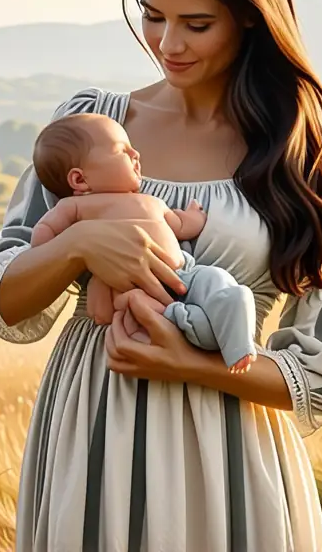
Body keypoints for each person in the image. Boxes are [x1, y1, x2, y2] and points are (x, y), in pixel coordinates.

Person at [0, 0, 322, 552]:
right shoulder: (90, 128)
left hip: (230, 447)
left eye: (196, 23)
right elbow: (7, 305)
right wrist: (79, 241)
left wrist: (195, 364)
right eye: (153, 16)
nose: (167, 43)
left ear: (249, 18)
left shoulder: (309, 156)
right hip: (91, 428)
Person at [27, 111, 259, 373]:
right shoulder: (77, 207)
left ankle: (231, 323)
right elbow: (46, 229)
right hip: (130, 285)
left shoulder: (150, 201)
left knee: (217, 279)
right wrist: (47, 247)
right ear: (80, 179)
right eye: (121, 151)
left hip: (186, 275)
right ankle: (183, 321)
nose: (136, 155)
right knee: (133, 307)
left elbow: (180, 225)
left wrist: (195, 216)